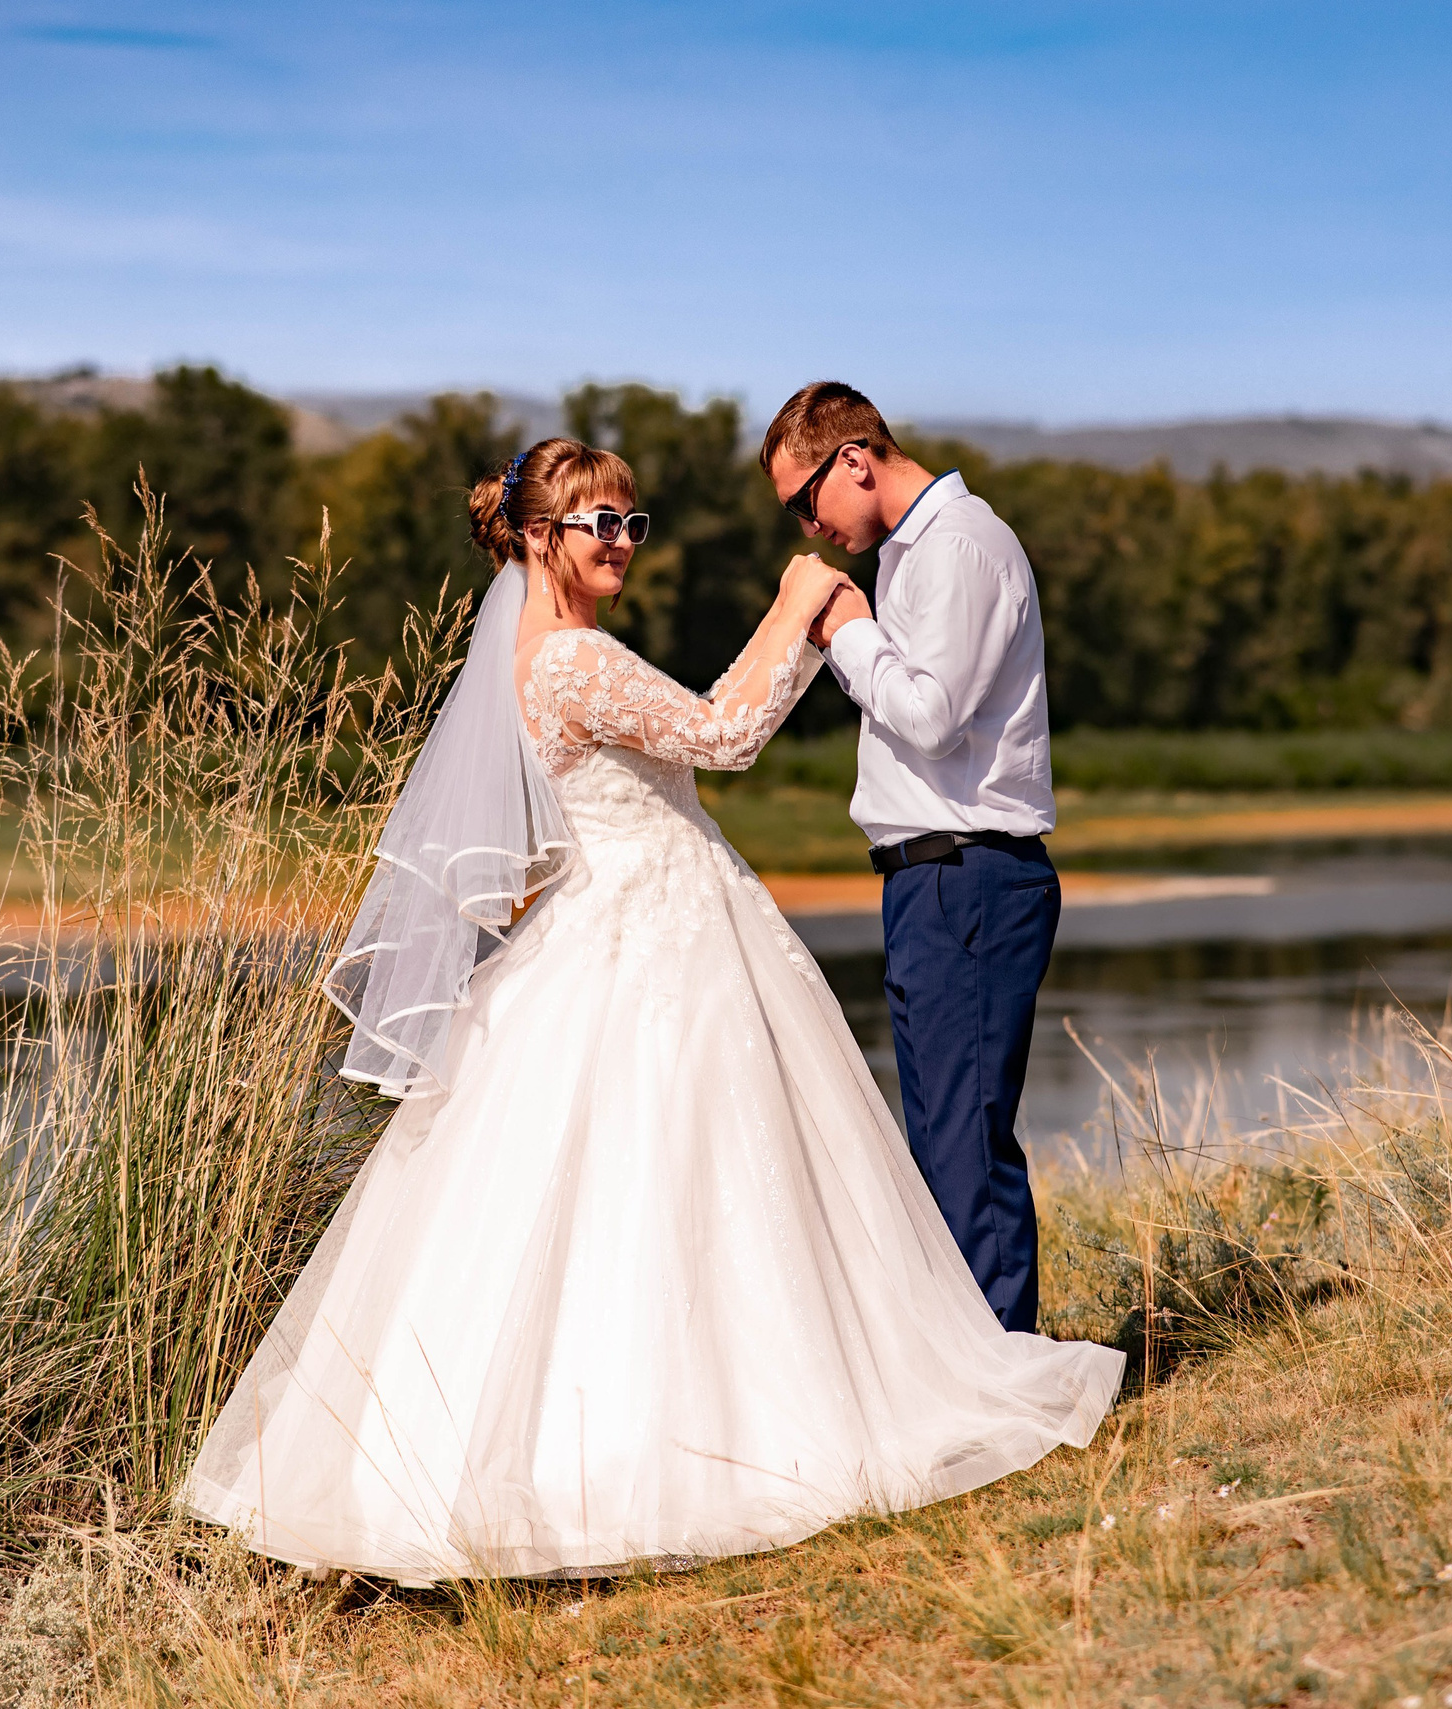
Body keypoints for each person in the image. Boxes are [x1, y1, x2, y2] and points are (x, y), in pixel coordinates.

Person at [182, 437, 1122, 1585]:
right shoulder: (570, 659)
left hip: (624, 923)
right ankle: (669, 1453)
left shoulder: (531, 657)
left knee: (651, 1189)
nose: (623, 541)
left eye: (632, 519)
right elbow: (722, 735)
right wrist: (794, 605)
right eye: (599, 524)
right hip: (653, 935)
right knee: (663, 1182)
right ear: (539, 537)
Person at [760, 382, 1058, 1333]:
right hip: (931, 880)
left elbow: (930, 717)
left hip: (969, 872)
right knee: (938, 1144)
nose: (809, 525)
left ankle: (1011, 1374)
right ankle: (977, 1365)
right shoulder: (914, 555)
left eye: (806, 501)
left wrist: (846, 629)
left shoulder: (961, 545)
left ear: (854, 459)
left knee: (966, 1147)